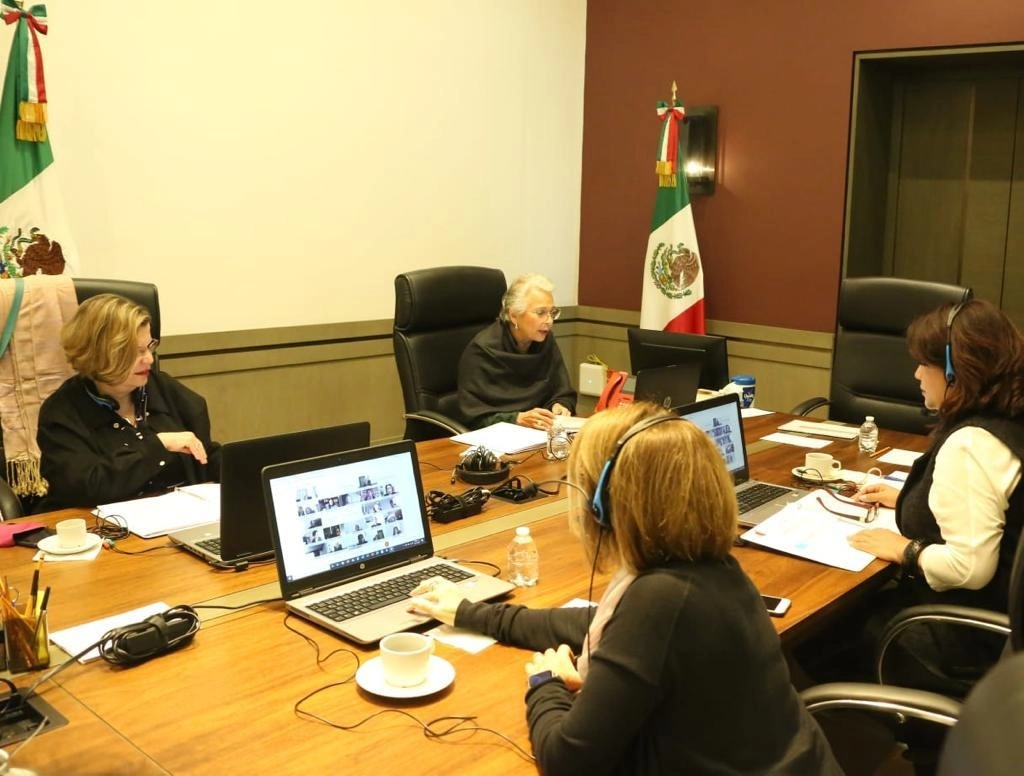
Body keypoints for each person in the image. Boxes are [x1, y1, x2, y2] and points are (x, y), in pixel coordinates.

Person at [408, 403, 841, 775]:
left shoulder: (661, 600)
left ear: (607, 505)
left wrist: (546, 681)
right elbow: (598, 622)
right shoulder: (706, 569)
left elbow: (565, 761)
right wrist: (473, 613)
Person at [846, 298, 1024, 688]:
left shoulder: (971, 445)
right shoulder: (1008, 421)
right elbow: (993, 506)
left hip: (961, 646)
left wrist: (903, 549)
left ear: (956, 372)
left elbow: (969, 568)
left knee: (835, 626)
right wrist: (910, 499)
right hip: (1003, 634)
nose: (916, 374)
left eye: (924, 364)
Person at [34, 294, 220, 511]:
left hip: (178, 519)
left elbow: (205, 455)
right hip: (101, 531)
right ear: (100, 354)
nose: (149, 359)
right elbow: (84, 488)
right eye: (137, 352)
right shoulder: (62, 412)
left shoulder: (163, 389)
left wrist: (245, 464)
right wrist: (158, 446)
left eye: (150, 347)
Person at [457, 273, 576, 430]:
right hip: (495, 441)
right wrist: (516, 419)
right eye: (541, 313)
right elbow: (473, 418)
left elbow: (562, 391)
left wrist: (560, 405)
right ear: (514, 316)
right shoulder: (482, 351)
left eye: (552, 312)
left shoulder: (545, 342)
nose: (549, 320)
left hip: (540, 434)